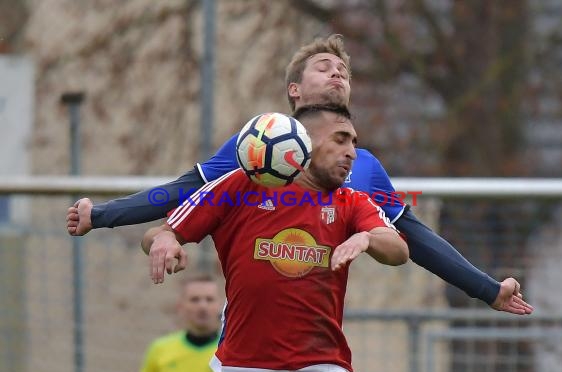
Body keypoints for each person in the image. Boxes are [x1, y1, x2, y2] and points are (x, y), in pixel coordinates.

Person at [67, 34, 524, 313]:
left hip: (321, 340)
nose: (337, 74)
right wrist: (102, 214)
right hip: (250, 342)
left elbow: (416, 238)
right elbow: (187, 190)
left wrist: (486, 289)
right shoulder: (260, 146)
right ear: (294, 89)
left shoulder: (363, 167)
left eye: (343, 70)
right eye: (324, 67)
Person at [143, 104, 411, 372]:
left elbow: (398, 250)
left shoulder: (351, 201)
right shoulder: (239, 186)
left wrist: (366, 237)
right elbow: (162, 232)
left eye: (354, 142)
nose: (351, 152)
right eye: (340, 139)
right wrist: (164, 240)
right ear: (302, 141)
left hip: (320, 371)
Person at [125, 274, 222, 372]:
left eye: (209, 299)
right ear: (181, 306)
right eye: (195, 300)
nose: (202, 306)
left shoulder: (230, 352)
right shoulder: (160, 350)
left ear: (220, 305)